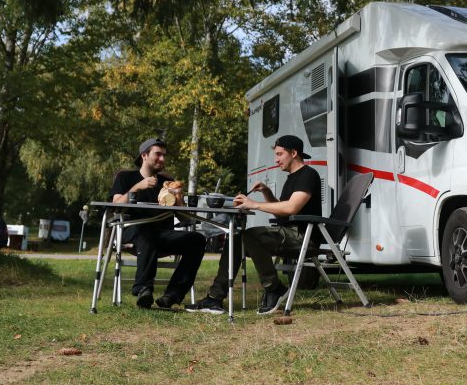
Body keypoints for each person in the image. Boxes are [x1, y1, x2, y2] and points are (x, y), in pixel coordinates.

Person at [186, 135, 321, 315]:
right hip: (288, 232)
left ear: (294, 153)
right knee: (236, 239)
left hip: (303, 236)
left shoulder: (309, 174)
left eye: (280, 154)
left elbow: (292, 207)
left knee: (250, 235)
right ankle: (215, 298)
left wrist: (254, 204)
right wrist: (266, 192)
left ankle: (274, 288)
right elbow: (280, 211)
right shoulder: (292, 178)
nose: (276, 159)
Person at [109, 138, 205, 309]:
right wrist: (137, 187)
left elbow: (185, 219)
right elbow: (116, 205)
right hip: (133, 231)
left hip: (161, 234)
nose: (162, 159)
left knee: (197, 240)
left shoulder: (167, 183)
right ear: (144, 155)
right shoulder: (126, 177)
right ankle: (143, 289)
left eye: (164, 155)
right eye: (158, 154)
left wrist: (179, 200)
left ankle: (172, 296)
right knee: (147, 229)